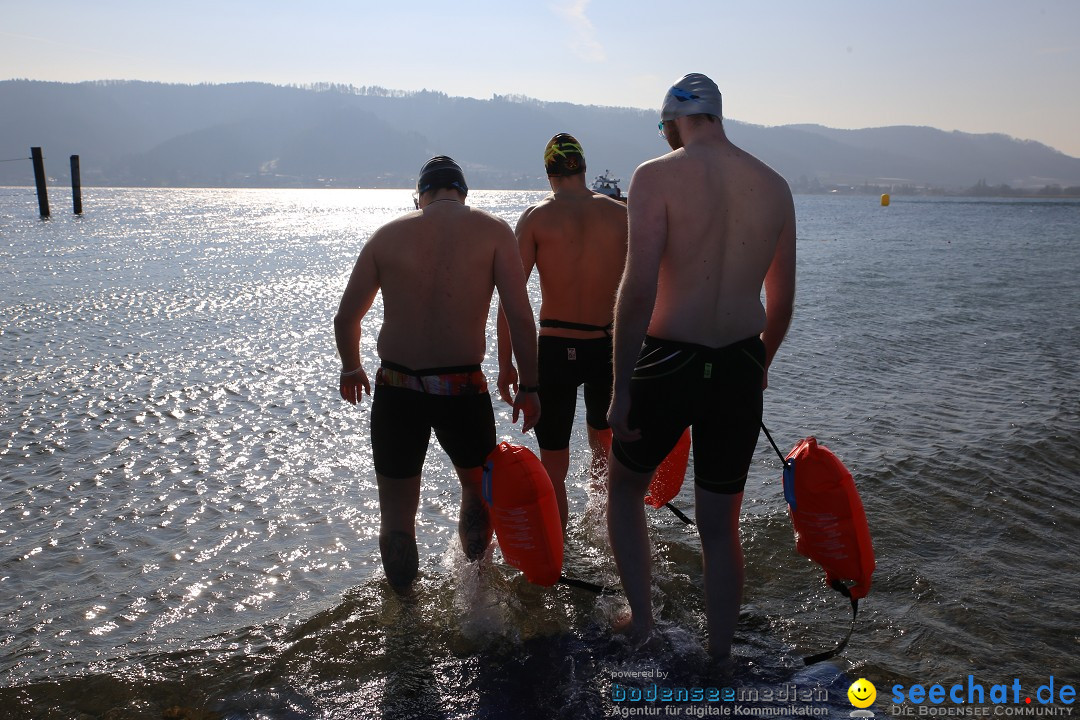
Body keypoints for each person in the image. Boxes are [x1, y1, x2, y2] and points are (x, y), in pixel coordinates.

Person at [605, 74, 796, 659]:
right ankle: (719, 663)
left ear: (672, 122)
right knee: (719, 523)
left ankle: (641, 622)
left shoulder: (655, 177)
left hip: (667, 360)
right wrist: (757, 362)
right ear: (717, 116)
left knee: (624, 491)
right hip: (739, 361)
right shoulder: (774, 185)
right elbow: (781, 302)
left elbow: (638, 291)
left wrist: (619, 388)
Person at [335, 156, 541, 593]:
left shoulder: (387, 236)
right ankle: (477, 592)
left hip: (397, 387)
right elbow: (520, 318)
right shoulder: (493, 231)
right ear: (462, 193)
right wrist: (530, 386)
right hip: (462, 388)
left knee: (395, 510)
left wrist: (351, 367)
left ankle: (406, 612)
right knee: (476, 490)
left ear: (421, 196)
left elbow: (345, 318)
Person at [496, 133, 628, 529]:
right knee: (605, 450)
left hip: (554, 349)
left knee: (554, 464)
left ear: (549, 174)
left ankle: (560, 553)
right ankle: (605, 535)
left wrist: (507, 366)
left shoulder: (537, 217)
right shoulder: (621, 214)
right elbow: (649, 290)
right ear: (584, 169)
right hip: (608, 347)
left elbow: (512, 301)